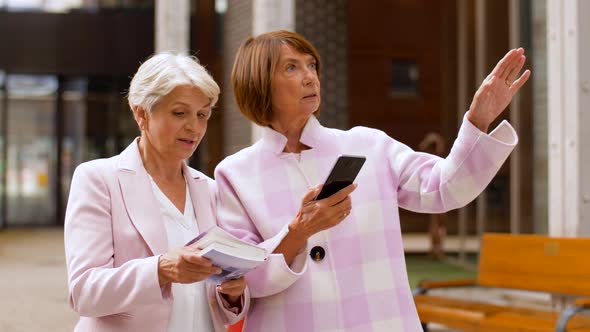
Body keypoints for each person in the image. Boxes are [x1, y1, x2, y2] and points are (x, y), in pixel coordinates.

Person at [215, 30, 530, 331]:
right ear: (258, 83)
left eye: (312, 65)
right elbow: (241, 281)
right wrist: (299, 232)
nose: (310, 76)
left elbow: (444, 188)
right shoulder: (235, 174)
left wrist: (478, 120)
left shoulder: (369, 145)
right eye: (291, 67)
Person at [64, 53, 249, 332]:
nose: (194, 127)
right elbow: (84, 293)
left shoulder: (210, 189)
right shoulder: (98, 179)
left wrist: (233, 294)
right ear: (141, 113)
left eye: (202, 115)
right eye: (179, 113)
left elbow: (222, 305)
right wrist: (160, 270)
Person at [418, 132, 447, 260]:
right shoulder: (435, 159)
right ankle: (437, 248)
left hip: (435, 191)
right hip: (436, 191)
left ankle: (436, 248)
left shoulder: (430, 159)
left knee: (436, 221)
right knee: (437, 222)